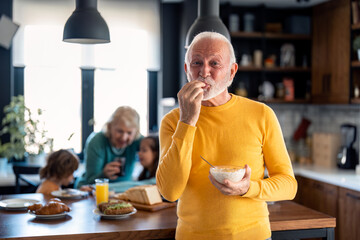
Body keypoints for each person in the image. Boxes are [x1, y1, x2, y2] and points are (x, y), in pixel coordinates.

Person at [156, 32, 297, 240]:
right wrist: (187, 121)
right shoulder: (172, 121)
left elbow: (289, 185)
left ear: (232, 72)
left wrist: (248, 187)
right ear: (187, 70)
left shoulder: (262, 114)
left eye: (214, 63)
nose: (204, 71)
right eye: (196, 62)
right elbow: (169, 192)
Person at [75, 106, 143, 189]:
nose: (124, 137)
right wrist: (103, 174)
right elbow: (90, 181)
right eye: (120, 131)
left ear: (136, 132)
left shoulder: (139, 141)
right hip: (90, 191)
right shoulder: (97, 142)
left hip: (122, 192)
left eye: (129, 133)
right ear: (110, 127)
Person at [80, 136, 159, 193]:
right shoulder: (146, 173)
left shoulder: (160, 178)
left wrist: (96, 187)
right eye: (139, 150)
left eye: (144, 150)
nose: (139, 153)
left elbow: (136, 186)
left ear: (156, 153)